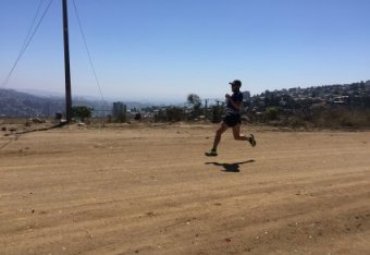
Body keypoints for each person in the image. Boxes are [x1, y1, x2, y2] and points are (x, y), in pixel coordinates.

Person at [205, 79, 256, 156]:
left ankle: (214, 151)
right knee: (237, 137)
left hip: (232, 117)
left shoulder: (239, 94)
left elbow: (237, 106)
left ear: (237, 86)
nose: (231, 86)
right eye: (231, 85)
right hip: (233, 117)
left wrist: (229, 98)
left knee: (219, 132)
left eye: (233, 85)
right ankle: (249, 139)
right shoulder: (234, 94)